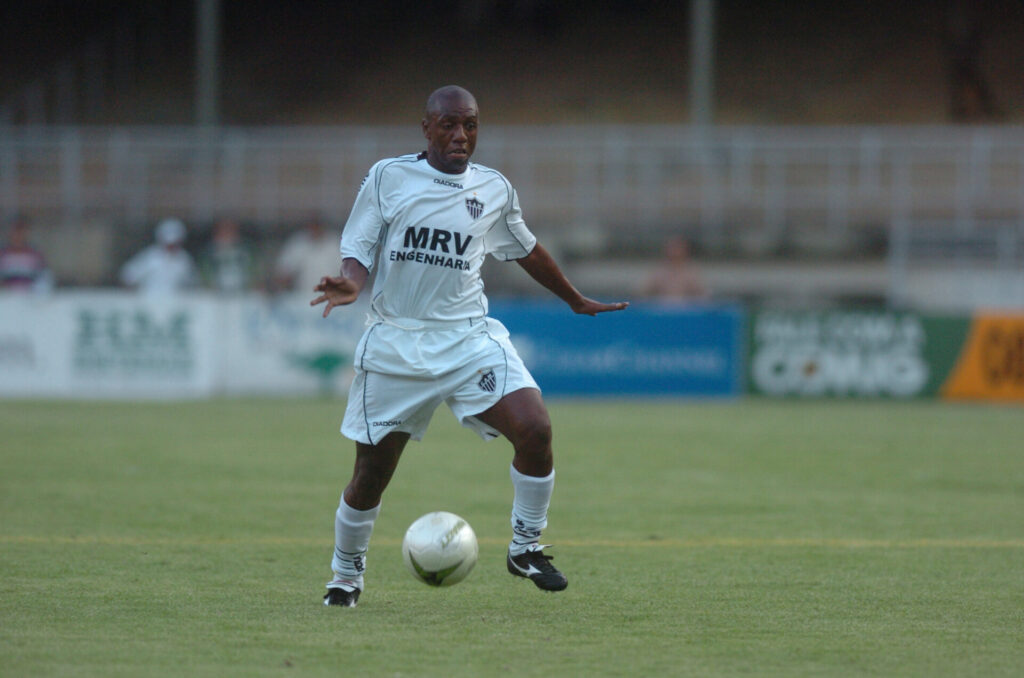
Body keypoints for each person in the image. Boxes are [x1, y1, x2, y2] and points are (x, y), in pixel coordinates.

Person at [311, 85, 628, 607]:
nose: (461, 135)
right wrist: (351, 281)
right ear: (426, 128)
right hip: (396, 344)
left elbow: (524, 249)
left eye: (471, 125)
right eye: (450, 124)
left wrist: (573, 298)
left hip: (468, 340)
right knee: (369, 477)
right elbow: (359, 244)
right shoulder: (389, 177)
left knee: (536, 427)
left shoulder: (494, 189)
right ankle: (345, 575)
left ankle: (525, 546)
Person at [119, 217, 198, 295]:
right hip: (149, 303)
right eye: (168, 244)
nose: (171, 247)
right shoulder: (150, 257)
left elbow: (192, 284)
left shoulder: (184, 260)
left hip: (174, 304)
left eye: (174, 244)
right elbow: (128, 276)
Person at [273, 214, 342, 293]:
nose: (315, 229)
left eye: (317, 226)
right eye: (312, 226)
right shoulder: (297, 244)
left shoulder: (335, 244)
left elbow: (347, 274)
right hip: (302, 297)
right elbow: (282, 274)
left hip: (333, 296)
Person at [640, 235, 708, 302]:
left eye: (678, 248)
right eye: (672, 248)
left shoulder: (692, 272)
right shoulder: (659, 271)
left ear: (685, 250)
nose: (675, 252)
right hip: (662, 308)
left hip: (686, 309)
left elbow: (704, 295)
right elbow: (643, 293)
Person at [199, 217, 258, 293]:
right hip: (215, 291)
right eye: (223, 232)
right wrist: (209, 285)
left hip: (243, 290)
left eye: (230, 232)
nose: (227, 235)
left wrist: (250, 284)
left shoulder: (245, 251)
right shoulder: (208, 253)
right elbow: (204, 273)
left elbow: (255, 271)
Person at [0, 214, 53, 293]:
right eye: (15, 232)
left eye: (21, 232)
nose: (18, 236)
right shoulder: (3, 255)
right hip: (6, 298)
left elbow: (45, 278)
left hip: (29, 299)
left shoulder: (35, 255)